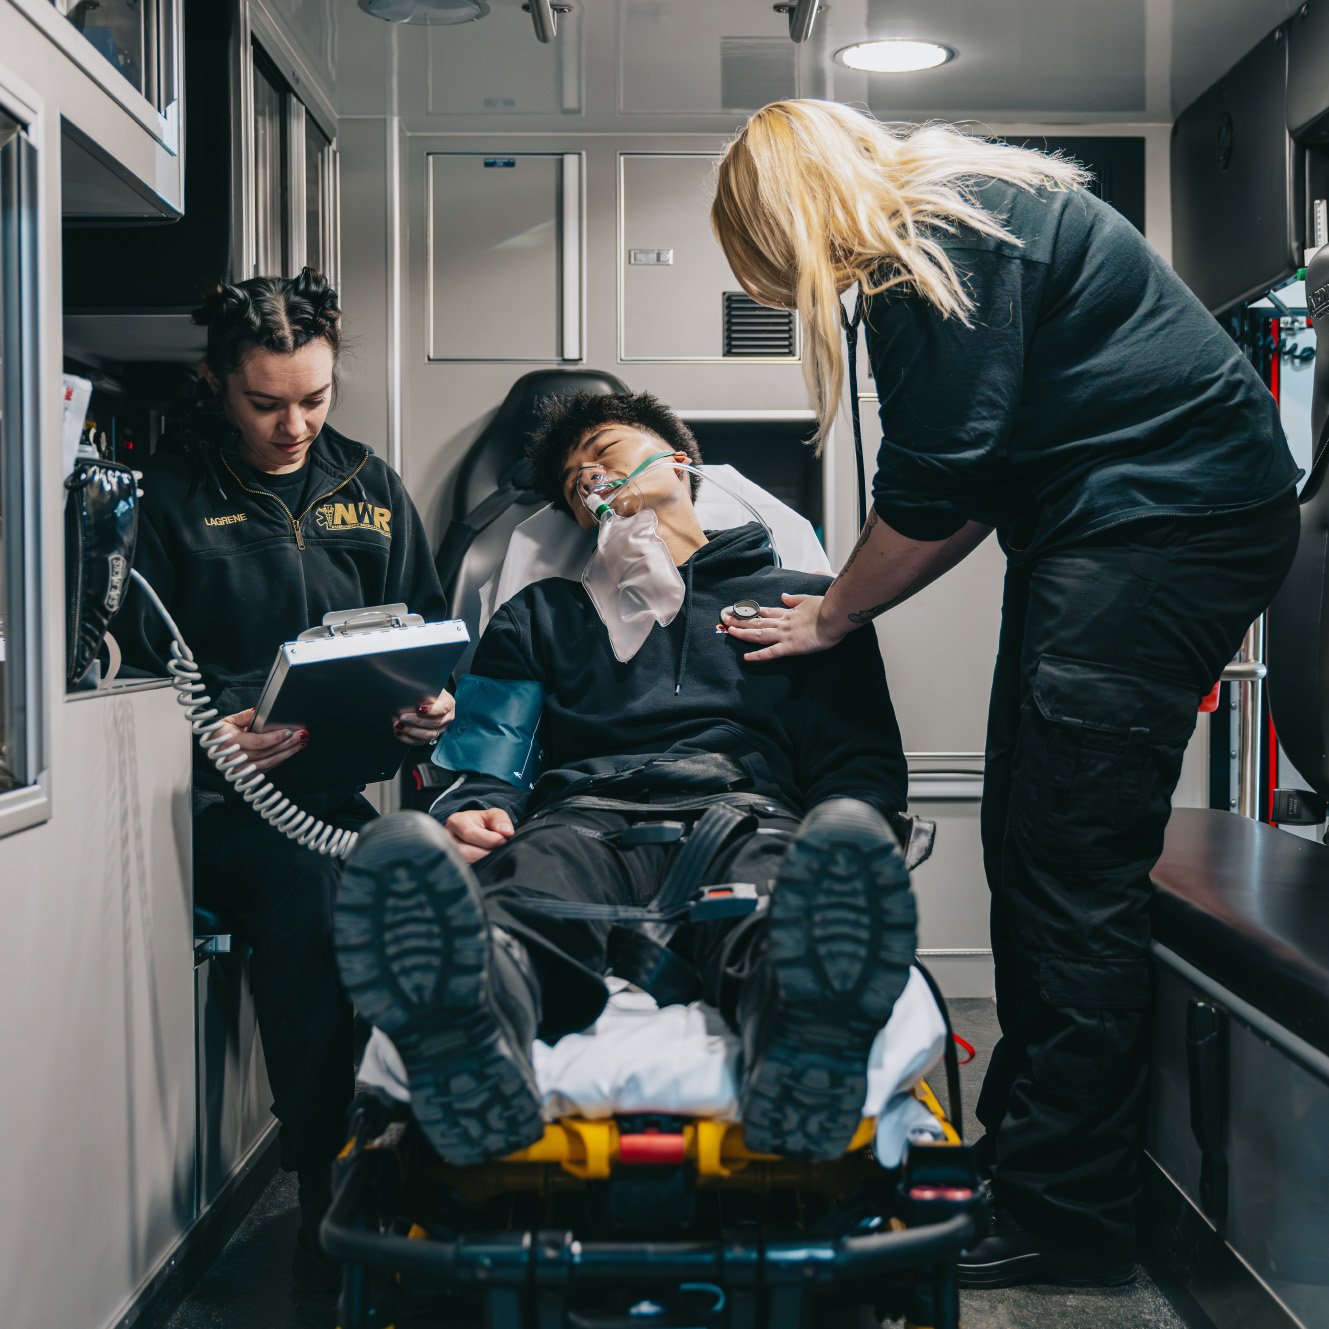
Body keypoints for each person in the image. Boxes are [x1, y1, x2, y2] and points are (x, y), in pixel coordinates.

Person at [709, 99, 1301, 1287]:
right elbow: (967, 481)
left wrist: (833, 613)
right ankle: (1030, 1164)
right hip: (1118, 527)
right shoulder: (959, 219)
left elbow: (939, 483)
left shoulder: (942, 241)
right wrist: (848, 602)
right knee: (1033, 850)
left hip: (1159, 526)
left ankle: (1064, 1213)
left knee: (1068, 869)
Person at [334, 390, 917, 1167]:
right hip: (581, 819)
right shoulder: (537, 617)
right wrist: (474, 809)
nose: (592, 484)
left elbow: (857, 765)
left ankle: (803, 1040)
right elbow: (488, 757)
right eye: (575, 488)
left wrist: (851, 827)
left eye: (605, 457)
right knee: (520, 900)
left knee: (785, 908)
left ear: (678, 463)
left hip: (741, 815)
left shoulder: (806, 606)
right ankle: (472, 1036)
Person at [111, 269, 452, 1288]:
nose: (293, 424)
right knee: (313, 900)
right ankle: (327, 1189)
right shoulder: (167, 500)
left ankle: (433, 1162)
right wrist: (209, 726)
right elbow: (122, 670)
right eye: (266, 403)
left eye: (314, 398)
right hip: (209, 807)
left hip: (340, 796)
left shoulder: (371, 488)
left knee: (431, 878)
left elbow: (428, 628)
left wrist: (428, 710)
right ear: (219, 384)